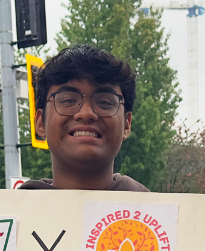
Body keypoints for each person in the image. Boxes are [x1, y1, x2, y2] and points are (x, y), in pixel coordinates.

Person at [18, 44, 148, 192]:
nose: (86, 113)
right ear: (40, 122)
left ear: (126, 124)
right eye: (68, 100)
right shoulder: (9, 211)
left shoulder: (163, 212)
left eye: (104, 102)